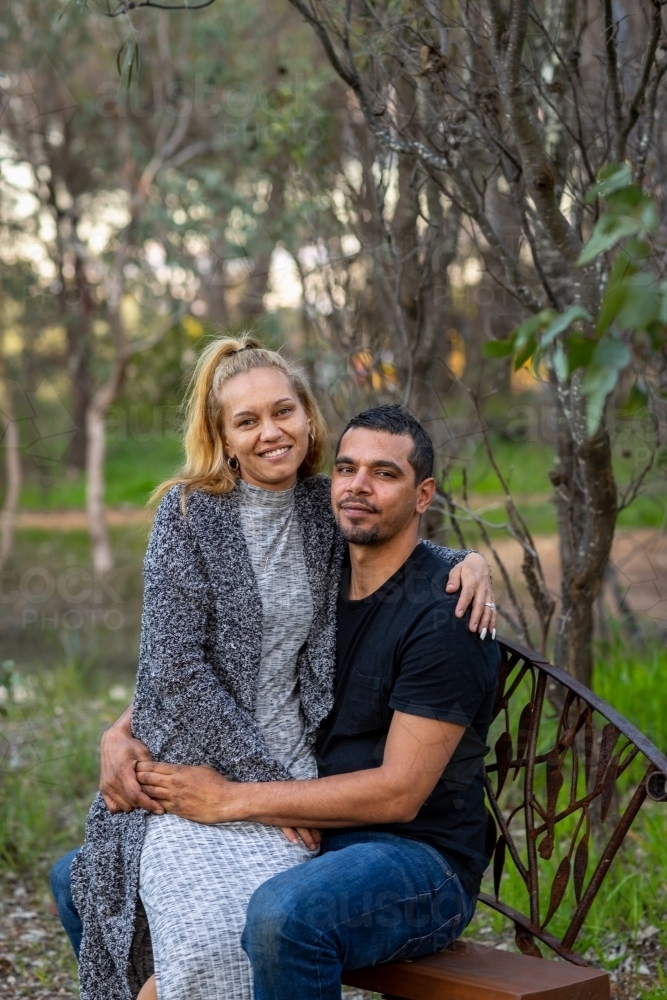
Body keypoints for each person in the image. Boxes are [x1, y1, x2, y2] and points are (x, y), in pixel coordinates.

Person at [51, 335, 496, 1000]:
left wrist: (471, 564)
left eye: (282, 411)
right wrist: (121, 731)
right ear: (223, 436)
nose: (270, 433)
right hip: (272, 786)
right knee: (81, 876)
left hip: (382, 831)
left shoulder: (387, 564)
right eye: (247, 420)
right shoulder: (246, 523)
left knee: (252, 929)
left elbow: (399, 791)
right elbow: (186, 663)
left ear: (306, 417)